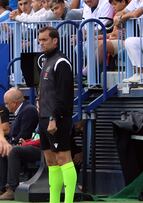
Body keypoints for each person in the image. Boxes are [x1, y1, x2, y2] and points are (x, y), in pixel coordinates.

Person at [37, 26, 76, 203]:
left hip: (57, 118)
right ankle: (54, 201)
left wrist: (54, 118)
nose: (41, 44)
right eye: (40, 40)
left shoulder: (61, 62)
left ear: (55, 40)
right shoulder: (46, 61)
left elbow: (64, 95)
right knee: (50, 160)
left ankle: (67, 201)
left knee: (63, 158)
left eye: (45, 40)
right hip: (43, 117)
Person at [1, 88, 39, 194]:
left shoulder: (29, 110)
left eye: (7, 103)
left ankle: (12, 189)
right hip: (25, 145)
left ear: (14, 103)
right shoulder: (22, 111)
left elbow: (24, 134)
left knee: (13, 150)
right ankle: (2, 187)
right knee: (3, 149)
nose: (6, 106)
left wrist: (10, 144)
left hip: (34, 147)